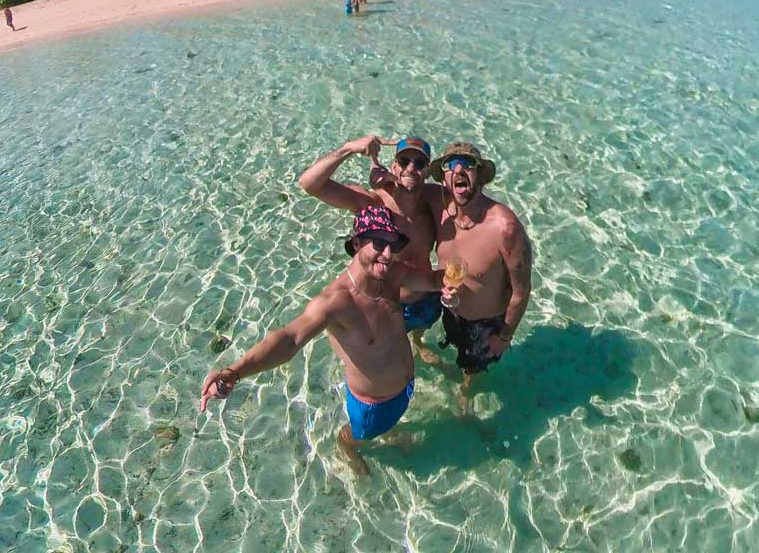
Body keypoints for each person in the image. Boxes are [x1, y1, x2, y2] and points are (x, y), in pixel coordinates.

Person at [200, 206, 458, 475]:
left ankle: (387, 431)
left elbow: (430, 279)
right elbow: (289, 339)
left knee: (388, 424)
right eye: (379, 243)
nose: (387, 254)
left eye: (392, 245)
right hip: (374, 404)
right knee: (357, 436)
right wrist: (234, 372)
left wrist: (450, 283)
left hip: (404, 386)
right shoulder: (335, 302)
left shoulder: (393, 274)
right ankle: (346, 448)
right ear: (357, 243)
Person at [298, 135, 446, 364]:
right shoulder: (373, 205)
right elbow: (309, 184)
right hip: (390, 306)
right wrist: (348, 149)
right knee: (390, 360)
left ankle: (418, 342)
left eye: (419, 164)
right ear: (394, 165)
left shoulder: (433, 205)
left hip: (427, 297)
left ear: (427, 171)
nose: (410, 168)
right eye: (404, 160)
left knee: (421, 328)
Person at [425, 142, 533, 410]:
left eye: (467, 163)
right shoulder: (439, 210)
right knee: (455, 345)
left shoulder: (505, 228)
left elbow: (521, 291)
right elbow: (403, 188)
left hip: (486, 324)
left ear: (480, 175)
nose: (459, 169)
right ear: (445, 179)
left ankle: (467, 389)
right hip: (452, 312)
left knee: (474, 367)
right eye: (451, 164)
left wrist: (504, 337)